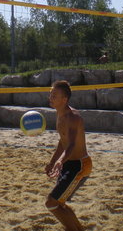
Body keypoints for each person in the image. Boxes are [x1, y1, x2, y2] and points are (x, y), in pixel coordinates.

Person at [45, 80, 92, 231]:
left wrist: (60, 161)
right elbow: (62, 141)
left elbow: (71, 144)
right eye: (50, 94)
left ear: (64, 99)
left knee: (51, 203)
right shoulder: (60, 113)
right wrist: (53, 161)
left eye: (54, 95)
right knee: (59, 204)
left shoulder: (72, 117)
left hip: (79, 165)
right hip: (68, 163)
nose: (51, 97)